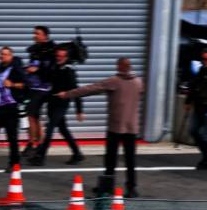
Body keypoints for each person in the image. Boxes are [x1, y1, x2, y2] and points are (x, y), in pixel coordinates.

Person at [57, 57, 143, 196]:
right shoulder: (138, 82)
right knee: (130, 159)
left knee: (110, 158)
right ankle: (132, 188)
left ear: (119, 67)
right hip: (132, 127)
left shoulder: (114, 81)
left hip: (115, 126)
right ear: (130, 67)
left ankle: (108, 187)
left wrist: (67, 94)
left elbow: (90, 89)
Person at [37, 46, 85, 165]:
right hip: (52, 103)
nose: (58, 58)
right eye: (57, 55)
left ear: (66, 57)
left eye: (61, 56)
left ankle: (40, 156)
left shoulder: (69, 71)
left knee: (49, 128)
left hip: (62, 104)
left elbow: (76, 90)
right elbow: (47, 79)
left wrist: (79, 110)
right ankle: (77, 154)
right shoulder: (54, 66)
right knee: (63, 129)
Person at [23, 26, 57, 160]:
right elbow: (34, 66)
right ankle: (36, 144)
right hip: (33, 87)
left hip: (42, 89)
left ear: (45, 36)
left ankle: (35, 144)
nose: (34, 35)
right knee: (34, 116)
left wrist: (35, 70)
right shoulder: (36, 50)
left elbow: (48, 71)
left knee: (32, 116)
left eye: (37, 33)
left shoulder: (49, 51)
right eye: (34, 33)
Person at [0, 47, 27, 170]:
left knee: (12, 137)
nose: (2, 56)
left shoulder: (16, 68)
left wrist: (12, 84)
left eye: (5, 54)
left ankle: (15, 164)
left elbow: (26, 84)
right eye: (1, 54)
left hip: (11, 107)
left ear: (11, 56)